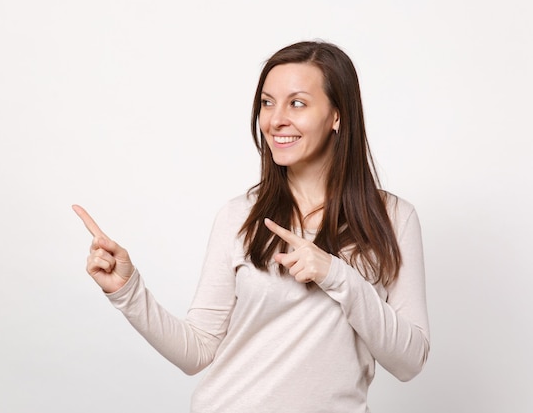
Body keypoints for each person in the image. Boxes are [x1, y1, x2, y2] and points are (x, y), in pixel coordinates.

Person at [72, 40, 430, 413]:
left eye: (297, 103)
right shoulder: (239, 215)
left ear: (337, 116)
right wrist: (127, 292)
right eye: (267, 102)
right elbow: (198, 349)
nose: (275, 120)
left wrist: (337, 275)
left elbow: (410, 360)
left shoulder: (393, 218)